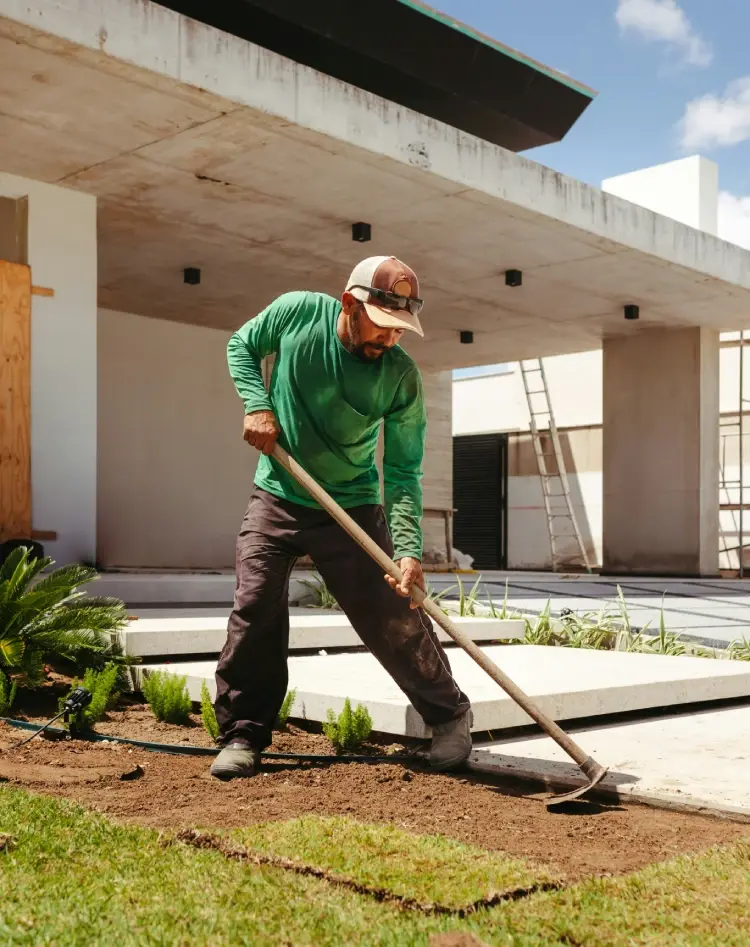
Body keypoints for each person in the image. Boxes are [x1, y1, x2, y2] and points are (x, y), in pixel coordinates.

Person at [210, 256, 472, 780]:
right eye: (383, 327)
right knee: (255, 605)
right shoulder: (296, 314)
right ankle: (243, 733)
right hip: (278, 494)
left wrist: (408, 549)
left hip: (351, 505)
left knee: (392, 614)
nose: (391, 341)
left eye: (401, 331)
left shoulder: (400, 376)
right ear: (350, 305)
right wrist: (256, 403)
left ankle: (449, 718)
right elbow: (241, 345)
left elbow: (402, 470)